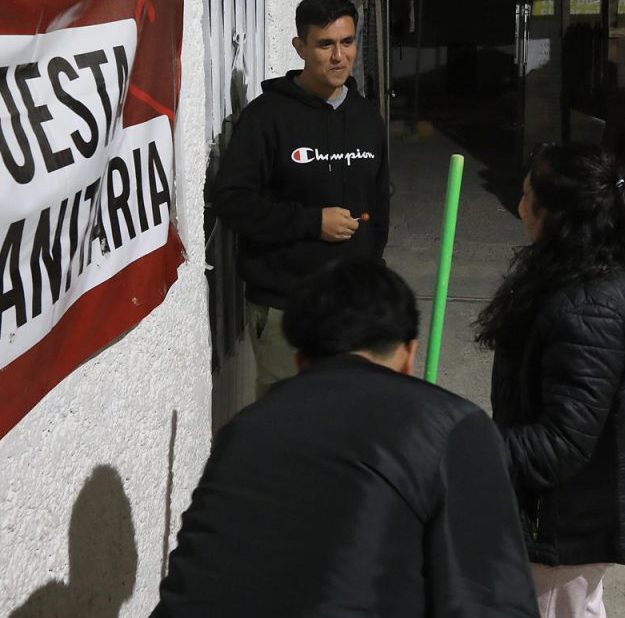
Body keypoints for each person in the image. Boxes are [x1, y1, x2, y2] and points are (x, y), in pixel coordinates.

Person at [154, 260, 538, 617]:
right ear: (409, 353)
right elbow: (492, 601)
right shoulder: (453, 427)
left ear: (300, 358)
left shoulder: (245, 428)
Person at [477, 144, 625, 618]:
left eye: (525, 195)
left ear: (554, 213)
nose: (518, 205)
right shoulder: (578, 266)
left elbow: (562, 442)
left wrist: (469, 448)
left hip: (567, 520)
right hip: (568, 510)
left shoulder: (590, 307)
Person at [213, 0, 390, 398]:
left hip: (352, 309)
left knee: (343, 424)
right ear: (300, 46)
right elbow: (232, 200)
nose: (338, 56)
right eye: (325, 44)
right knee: (289, 431)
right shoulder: (266, 117)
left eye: (347, 42)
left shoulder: (366, 118)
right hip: (284, 310)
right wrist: (312, 222)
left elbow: (379, 203)